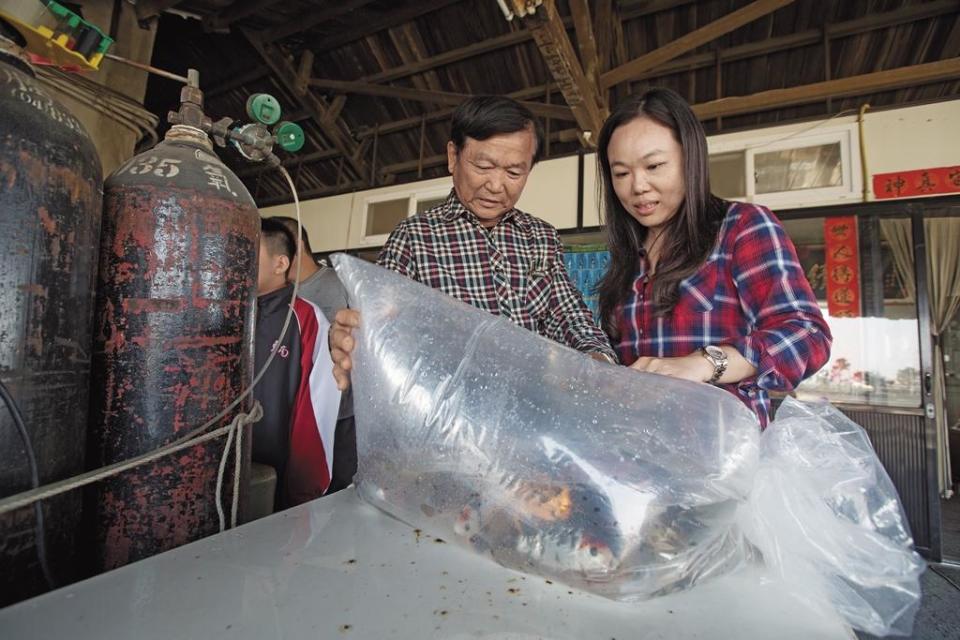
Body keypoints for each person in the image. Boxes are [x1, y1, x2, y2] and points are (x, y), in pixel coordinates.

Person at [331, 96, 616, 389]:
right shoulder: (414, 237)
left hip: (532, 407)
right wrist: (353, 337)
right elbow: (378, 323)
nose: (495, 185)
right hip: (446, 412)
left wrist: (599, 361)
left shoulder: (541, 237)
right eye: (483, 166)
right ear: (453, 157)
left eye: (514, 172)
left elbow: (567, 314)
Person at [595, 87, 832, 427]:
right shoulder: (626, 256)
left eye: (655, 165)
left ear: (690, 160)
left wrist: (706, 362)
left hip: (719, 458)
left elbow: (807, 336)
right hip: (635, 456)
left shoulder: (741, 228)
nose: (638, 186)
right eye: (621, 173)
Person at [253, 218, 340, 508]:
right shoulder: (230, 311)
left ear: (280, 264)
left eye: (251, 253)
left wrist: (303, 492)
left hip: (277, 476)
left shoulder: (305, 318)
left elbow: (316, 407)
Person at [270, 216, 356, 494]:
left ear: (295, 245)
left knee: (338, 492)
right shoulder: (278, 296)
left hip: (341, 414)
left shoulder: (340, 282)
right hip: (295, 415)